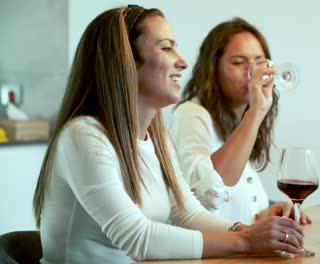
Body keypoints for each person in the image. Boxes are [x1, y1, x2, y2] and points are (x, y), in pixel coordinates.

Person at [32, 6, 304, 263]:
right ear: (124, 62)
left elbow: (187, 214)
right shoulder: (84, 136)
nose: (183, 62)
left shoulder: (157, 139)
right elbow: (136, 238)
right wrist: (245, 241)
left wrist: (245, 230)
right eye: (166, 48)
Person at [171, 18, 312, 225]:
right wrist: (256, 112)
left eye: (260, 62)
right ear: (212, 70)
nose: (253, 72)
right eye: (238, 62)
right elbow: (204, 195)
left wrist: (266, 212)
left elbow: (234, 209)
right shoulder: (191, 114)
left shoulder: (237, 121)